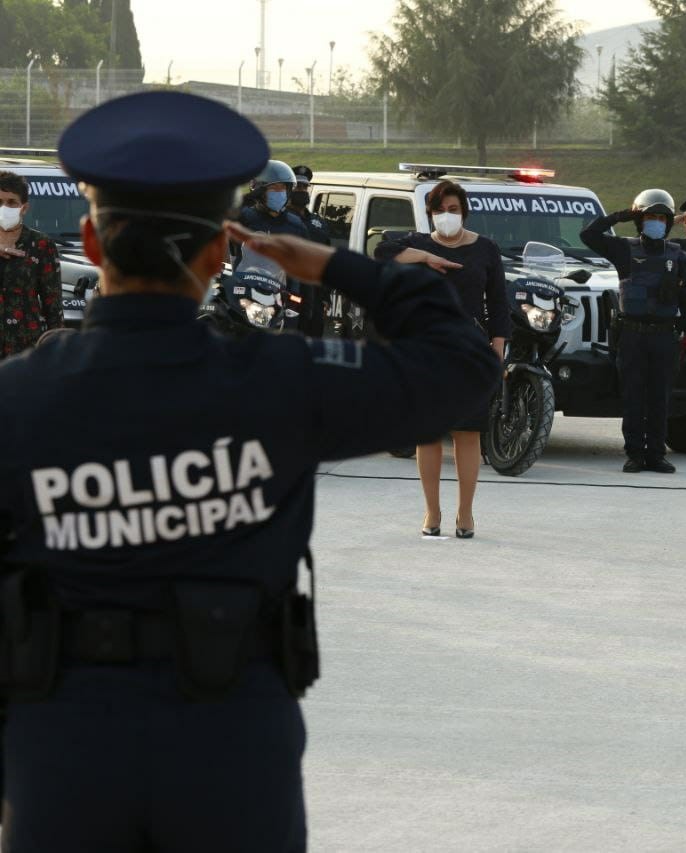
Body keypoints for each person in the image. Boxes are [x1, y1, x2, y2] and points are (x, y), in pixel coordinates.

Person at [0, 90, 498, 850]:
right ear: (220, 250)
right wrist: (343, 266)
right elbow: (463, 369)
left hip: (62, 748)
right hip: (230, 739)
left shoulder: (18, 397)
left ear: (92, 244)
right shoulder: (280, 381)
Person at [375, 180, 507, 538]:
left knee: (467, 432)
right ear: (429, 214)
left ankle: (465, 514)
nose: (446, 217)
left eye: (452, 210)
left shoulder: (486, 250)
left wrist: (498, 347)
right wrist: (425, 257)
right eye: (439, 211)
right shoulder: (418, 243)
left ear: (464, 212)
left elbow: (498, 304)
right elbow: (381, 253)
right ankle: (431, 513)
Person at [581, 189, 686, 473]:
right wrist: (622, 215)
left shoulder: (677, 256)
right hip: (632, 335)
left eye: (661, 217)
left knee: (660, 397)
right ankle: (634, 453)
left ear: (669, 222)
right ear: (640, 220)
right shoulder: (624, 249)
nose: (655, 222)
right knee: (633, 396)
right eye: (649, 217)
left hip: (663, 336)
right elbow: (589, 235)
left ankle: (656, 454)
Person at [235, 159, 323, 335]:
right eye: (275, 189)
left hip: (286, 301)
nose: (280, 193)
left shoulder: (296, 225)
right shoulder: (244, 218)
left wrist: (307, 313)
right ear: (260, 191)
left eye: (284, 188)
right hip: (248, 299)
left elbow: (306, 272)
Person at [0, 170, 63, 359]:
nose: (4, 207)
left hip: (25, 348)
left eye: (11, 202)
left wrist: (58, 350)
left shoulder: (41, 244)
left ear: (24, 208)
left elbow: (52, 303)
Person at [287, 165, 334, 336]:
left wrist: (325, 297)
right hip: (287, 292)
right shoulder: (280, 220)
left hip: (314, 295)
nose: (302, 190)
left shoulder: (318, 223)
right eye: (297, 187)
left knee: (312, 342)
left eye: (305, 187)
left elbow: (327, 259)